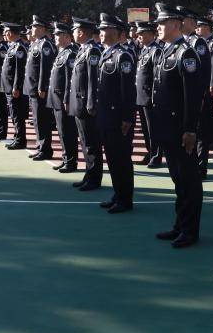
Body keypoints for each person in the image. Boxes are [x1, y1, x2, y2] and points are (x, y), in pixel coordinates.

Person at [151, 3, 206, 247]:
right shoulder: (167, 51)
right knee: (178, 180)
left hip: (180, 130)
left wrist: (190, 129)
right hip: (167, 128)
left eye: (162, 23)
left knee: (188, 181)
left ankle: (190, 230)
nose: (158, 27)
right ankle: (180, 225)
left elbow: (192, 96)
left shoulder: (186, 53)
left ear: (175, 24)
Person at [94, 13, 135, 213]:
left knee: (121, 159)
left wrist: (127, 117)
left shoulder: (123, 56)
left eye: (105, 29)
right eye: (100, 30)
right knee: (111, 158)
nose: (101, 33)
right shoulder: (106, 53)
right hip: (106, 116)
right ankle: (118, 194)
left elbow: (128, 90)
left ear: (117, 32)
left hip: (118, 118)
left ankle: (125, 199)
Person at [68, 17, 104, 191]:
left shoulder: (93, 51)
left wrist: (91, 103)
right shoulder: (83, 50)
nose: (73, 33)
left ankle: (94, 178)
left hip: (86, 105)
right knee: (84, 141)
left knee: (91, 144)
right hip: (79, 104)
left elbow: (93, 80)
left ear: (81, 32)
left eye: (74, 30)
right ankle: (89, 175)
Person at [48, 22, 80, 173]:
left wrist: (67, 99)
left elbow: (69, 79)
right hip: (56, 97)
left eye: (58, 35)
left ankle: (71, 162)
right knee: (61, 131)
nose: (55, 37)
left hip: (63, 99)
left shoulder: (71, 53)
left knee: (68, 132)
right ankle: (66, 158)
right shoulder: (61, 52)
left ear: (67, 37)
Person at [25, 15, 57, 161]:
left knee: (42, 119)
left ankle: (45, 149)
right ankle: (40, 146)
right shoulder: (36, 43)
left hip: (40, 90)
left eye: (34, 26)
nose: (32, 29)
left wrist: (42, 87)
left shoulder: (45, 45)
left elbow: (46, 68)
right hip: (33, 88)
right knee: (37, 119)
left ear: (41, 28)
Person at [134, 20, 164, 168]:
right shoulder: (144, 50)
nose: (138, 36)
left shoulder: (156, 50)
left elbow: (157, 77)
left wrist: (154, 96)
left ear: (152, 34)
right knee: (146, 128)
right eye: (138, 33)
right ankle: (150, 151)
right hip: (141, 96)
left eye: (142, 33)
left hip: (150, 96)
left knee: (154, 128)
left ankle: (157, 155)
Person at [1, 23, 30, 150]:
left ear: (11, 33)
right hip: (9, 86)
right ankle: (17, 137)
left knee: (17, 115)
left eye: (6, 32)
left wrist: (16, 87)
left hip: (14, 88)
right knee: (13, 114)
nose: (4, 35)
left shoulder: (19, 48)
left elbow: (19, 70)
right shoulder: (12, 46)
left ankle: (20, 140)